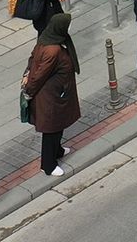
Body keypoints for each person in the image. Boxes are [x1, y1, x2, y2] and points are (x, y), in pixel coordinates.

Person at [22, 13, 81, 179]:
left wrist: (27, 73)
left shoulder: (47, 39)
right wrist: (29, 91)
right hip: (50, 97)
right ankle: (48, 165)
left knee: (58, 125)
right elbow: (40, 74)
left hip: (57, 94)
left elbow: (32, 59)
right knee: (51, 129)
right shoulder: (53, 50)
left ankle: (58, 150)